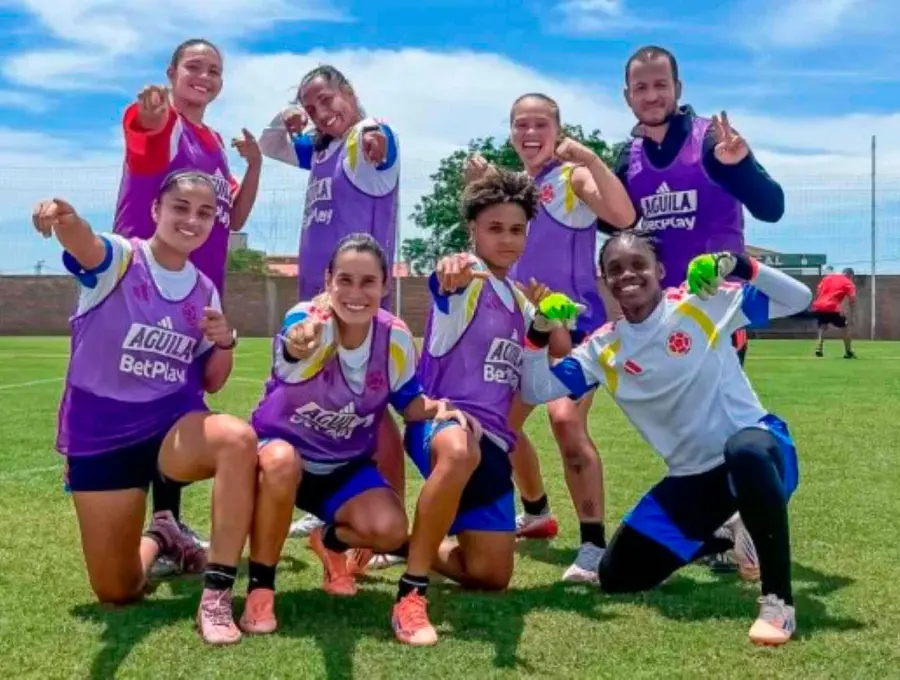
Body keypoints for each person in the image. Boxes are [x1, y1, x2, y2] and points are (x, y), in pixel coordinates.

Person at [521, 232, 812, 646]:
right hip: (694, 478)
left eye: (638, 264)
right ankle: (728, 534)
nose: (628, 275)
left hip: (762, 456)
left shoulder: (702, 304)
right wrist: (538, 330)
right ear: (603, 279)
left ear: (659, 271)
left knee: (743, 449)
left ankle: (777, 603)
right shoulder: (603, 348)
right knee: (617, 576)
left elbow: (799, 298)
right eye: (615, 269)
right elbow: (535, 389)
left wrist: (739, 263)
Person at [36, 171, 259, 646]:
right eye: (180, 207)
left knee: (237, 439)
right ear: (157, 210)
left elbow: (213, 381)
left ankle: (216, 595)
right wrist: (64, 217)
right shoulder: (120, 258)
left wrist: (225, 342)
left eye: (204, 212)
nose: (192, 219)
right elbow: (84, 245)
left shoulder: (204, 290)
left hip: (168, 425)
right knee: (116, 592)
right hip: (101, 433)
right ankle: (164, 538)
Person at [239, 233, 469, 637]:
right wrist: (298, 344)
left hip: (342, 466)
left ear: (384, 286)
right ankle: (261, 589)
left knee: (390, 530)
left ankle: (328, 540)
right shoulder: (308, 320)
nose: (356, 293)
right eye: (345, 279)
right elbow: (294, 345)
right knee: (280, 461)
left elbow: (409, 402)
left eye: (368, 282)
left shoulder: (394, 336)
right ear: (328, 280)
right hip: (277, 457)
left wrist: (441, 407)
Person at [396, 169, 572, 646]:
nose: (507, 239)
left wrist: (548, 318)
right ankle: (410, 593)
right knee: (459, 448)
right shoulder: (466, 282)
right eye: (494, 228)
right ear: (472, 230)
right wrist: (448, 269)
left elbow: (554, 360)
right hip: (442, 425)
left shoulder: (518, 298)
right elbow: (445, 279)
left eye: (516, 229)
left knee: (490, 575)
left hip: (493, 447)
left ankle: (392, 539)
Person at [466, 93, 636, 581]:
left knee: (564, 419)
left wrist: (588, 158)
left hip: (573, 329)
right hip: (521, 329)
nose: (530, 132)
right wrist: (478, 189)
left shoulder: (571, 176)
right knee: (497, 425)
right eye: (521, 124)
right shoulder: (516, 187)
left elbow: (623, 217)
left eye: (540, 123)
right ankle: (536, 512)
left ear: (557, 128)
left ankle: (593, 547)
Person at [113, 38, 262, 576]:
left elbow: (234, 218)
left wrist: (256, 165)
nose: (205, 76)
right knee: (146, 390)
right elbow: (145, 138)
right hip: (146, 284)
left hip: (197, 288)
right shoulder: (165, 121)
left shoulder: (213, 141)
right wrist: (150, 116)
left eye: (214, 70)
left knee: (179, 394)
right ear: (172, 72)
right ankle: (151, 522)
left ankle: (167, 522)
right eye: (194, 67)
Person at [258, 66, 405, 557]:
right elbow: (270, 143)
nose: (322, 113)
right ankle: (324, 506)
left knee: (375, 409)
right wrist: (289, 116)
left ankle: (391, 508)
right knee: (317, 404)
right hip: (318, 304)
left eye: (327, 99)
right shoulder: (321, 150)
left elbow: (376, 135)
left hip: (361, 301)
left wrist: (373, 136)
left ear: (350, 92)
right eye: (312, 106)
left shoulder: (362, 145)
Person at [601, 45, 784, 367]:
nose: (652, 96)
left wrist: (740, 167)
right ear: (628, 96)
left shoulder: (713, 139)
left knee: (714, 413)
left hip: (715, 307)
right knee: (661, 414)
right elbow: (614, 224)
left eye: (661, 85)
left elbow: (772, 208)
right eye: (641, 88)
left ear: (678, 88)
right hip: (655, 312)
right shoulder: (627, 158)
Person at [810, 267, 857, 358]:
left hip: (820, 306)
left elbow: (818, 289)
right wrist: (852, 316)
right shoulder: (849, 283)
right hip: (833, 307)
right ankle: (848, 352)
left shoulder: (828, 277)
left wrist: (821, 299)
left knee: (822, 326)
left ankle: (819, 348)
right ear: (850, 275)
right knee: (844, 327)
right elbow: (852, 300)